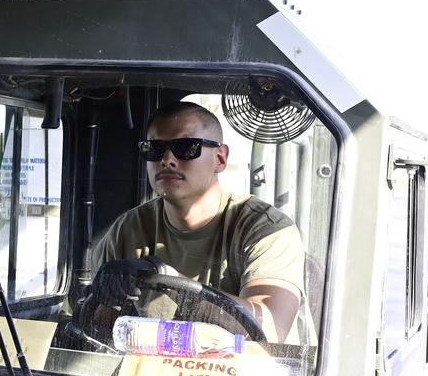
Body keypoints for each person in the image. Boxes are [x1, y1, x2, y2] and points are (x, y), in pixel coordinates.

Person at [91, 101, 313, 344]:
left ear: (220, 158)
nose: (167, 160)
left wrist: (170, 281)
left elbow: (269, 329)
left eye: (186, 147)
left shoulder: (264, 229)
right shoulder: (128, 229)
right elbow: (97, 335)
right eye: (154, 149)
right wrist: (109, 301)